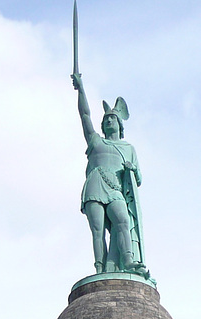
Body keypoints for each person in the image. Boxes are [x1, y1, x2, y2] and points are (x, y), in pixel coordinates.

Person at [72, 72, 149, 278]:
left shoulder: (128, 148)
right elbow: (85, 116)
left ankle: (129, 260)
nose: (108, 121)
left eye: (112, 118)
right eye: (105, 119)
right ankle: (100, 268)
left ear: (119, 124)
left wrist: (132, 169)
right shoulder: (96, 142)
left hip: (115, 190)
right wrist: (81, 89)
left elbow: (138, 179)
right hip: (95, 186)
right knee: (97, 231)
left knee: (123, 220)